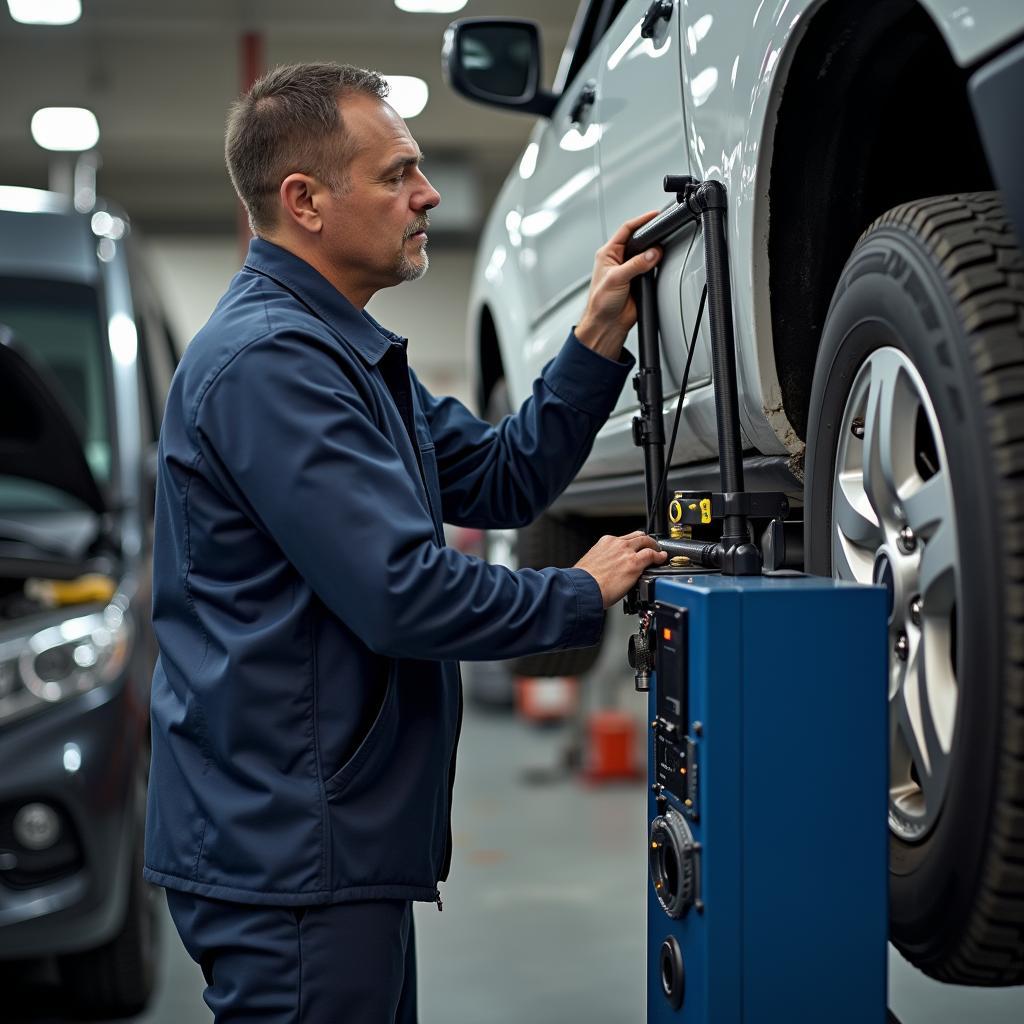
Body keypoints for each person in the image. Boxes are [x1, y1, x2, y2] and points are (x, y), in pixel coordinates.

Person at [144, 61, 666, 1023]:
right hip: (292, 856)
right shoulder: (272, 364)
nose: (426, 195)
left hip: (328, 843)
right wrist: (577, 593)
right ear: (304, 201)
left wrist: (594, 341)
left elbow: (505, 475)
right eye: (396, 175)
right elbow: (402, 593)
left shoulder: (344, 353)